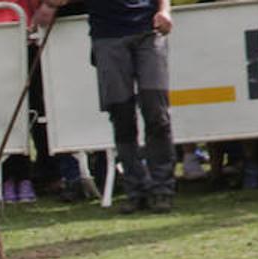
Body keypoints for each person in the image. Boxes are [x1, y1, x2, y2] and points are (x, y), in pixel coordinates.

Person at [35, 0, 175, 213]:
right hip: (107, 35)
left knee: (157, 114)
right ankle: (136, 190)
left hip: (149, 30)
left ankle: (162, 189)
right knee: (121, 116)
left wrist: (164, 10)